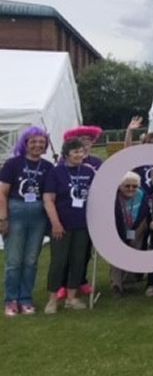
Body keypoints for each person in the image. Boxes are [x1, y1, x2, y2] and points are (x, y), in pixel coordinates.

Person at [0, 127, 54, 316]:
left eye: (41, 142)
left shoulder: (48, 167)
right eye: (33, 141)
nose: (37, 145)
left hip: (38, 215)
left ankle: (25, 298)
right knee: (14, 260)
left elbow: (49, 196)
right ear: (25, 143)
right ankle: (11, 299)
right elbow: (2, 192)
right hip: (16, 211)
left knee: (31, 260)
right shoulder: (12, 164)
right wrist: (3, 218)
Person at [42, 138, 97, 313]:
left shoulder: (89, 172)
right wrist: (55, 223)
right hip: (62, 225)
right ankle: (52, 300)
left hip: (82, 225)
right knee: (59, 262)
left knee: (78, 261)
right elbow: (48, 199)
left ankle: (72, 298)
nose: (79, 155)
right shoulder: (56, 172)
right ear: (66, 154)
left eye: (81, 151)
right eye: (75, 152)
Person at [111, 171, 150, 296]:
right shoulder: (114, 197)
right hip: (118, 229)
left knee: (134, 251)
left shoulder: (142, 195)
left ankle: (128, 280)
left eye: (134, 186)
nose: (131, 189)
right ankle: (116, 285)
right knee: (117, 255)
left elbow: (145, 213)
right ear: (120, 186)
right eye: (127, 186)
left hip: (137, 227)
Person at [124, 115, 153, 195]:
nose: (151, 146)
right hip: (142, 197)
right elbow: (127, 152)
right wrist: (129, 131)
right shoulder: (139, 160)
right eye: (149, 143)